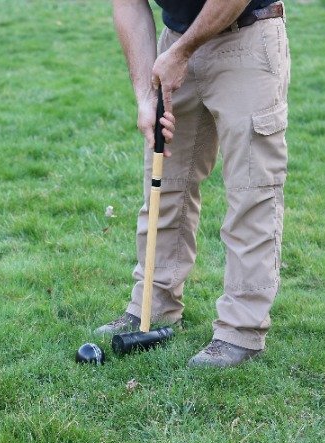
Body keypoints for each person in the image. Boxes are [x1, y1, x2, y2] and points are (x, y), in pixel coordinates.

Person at [95, 0, 290, 368]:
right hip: (175, 45)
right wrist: (144, 95)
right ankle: (152, 308)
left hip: (245, 37)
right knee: (166, 183)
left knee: (252, 192)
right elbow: (128, 3)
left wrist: (182, 52)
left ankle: (240, 330)